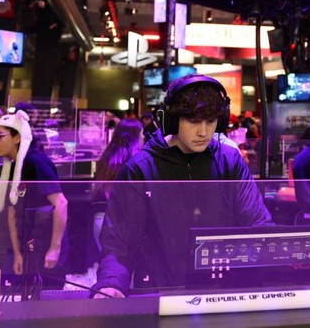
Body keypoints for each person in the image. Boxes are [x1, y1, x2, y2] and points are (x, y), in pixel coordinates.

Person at [92, 75, 272, 297]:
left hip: (222, 293)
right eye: (194, 121)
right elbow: (118, 243)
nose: (203, 132)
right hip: (160, 293)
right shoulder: (140, 169)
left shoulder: (230, 161)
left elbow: (258, 223)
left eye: (210, 121)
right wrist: (111, 284)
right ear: (172, 120)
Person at [0, 110, 69, 287]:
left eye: (0, 136)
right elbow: (12, 211)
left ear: (17, 138)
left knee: (47, 299)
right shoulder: (13, 165)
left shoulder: (36, 162)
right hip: (28, 246)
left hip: (45, 245)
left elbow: (61, 203)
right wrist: (17, 253)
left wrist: (54, 249)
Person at [91, 118, 144, 249]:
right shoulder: (136, 162)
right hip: (123, 220)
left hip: (100, 218)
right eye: (142, 133)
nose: (144, 137)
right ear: (135, 137)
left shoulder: (106, 157)